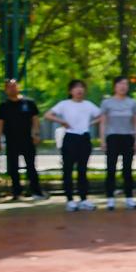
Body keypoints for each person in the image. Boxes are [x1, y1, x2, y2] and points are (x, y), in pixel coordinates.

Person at [45, 80, 102, 211]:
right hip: (70, 137)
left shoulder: (88, 105)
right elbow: (48, 115)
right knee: (68, 169)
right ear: (70, 91)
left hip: (84, 138)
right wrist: (62, 121)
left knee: (83, 170)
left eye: (82, 87)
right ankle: (70, 200)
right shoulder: (64, 104)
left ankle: (84, 199)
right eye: (76, 88)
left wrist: (91, 123)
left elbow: (102, 116)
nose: (79, 90)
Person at [0, 79, 44, 200]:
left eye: (14, 86)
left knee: (31, 166)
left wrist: (36, 134)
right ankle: (17, 192)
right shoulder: (3, 106)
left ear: (19, 87)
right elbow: (0, 124)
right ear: (6, 90)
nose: (12, 89)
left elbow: (35, 120)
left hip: (28, 139)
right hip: (11, 140)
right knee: (13, 167)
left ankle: (36, 191)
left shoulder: (29, 103)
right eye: (9, 87)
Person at [99, 76, 136, 210]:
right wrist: (102, 140)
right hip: (112, 137)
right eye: (120, 84)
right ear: (115, 86)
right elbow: (103, 123)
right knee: (111, 169)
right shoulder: (107, 103)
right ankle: (110, 199)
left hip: (128, 137)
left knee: (127, 169)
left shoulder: (132, 103)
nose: (123, 86)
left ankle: (129, 198)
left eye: (125, 84)